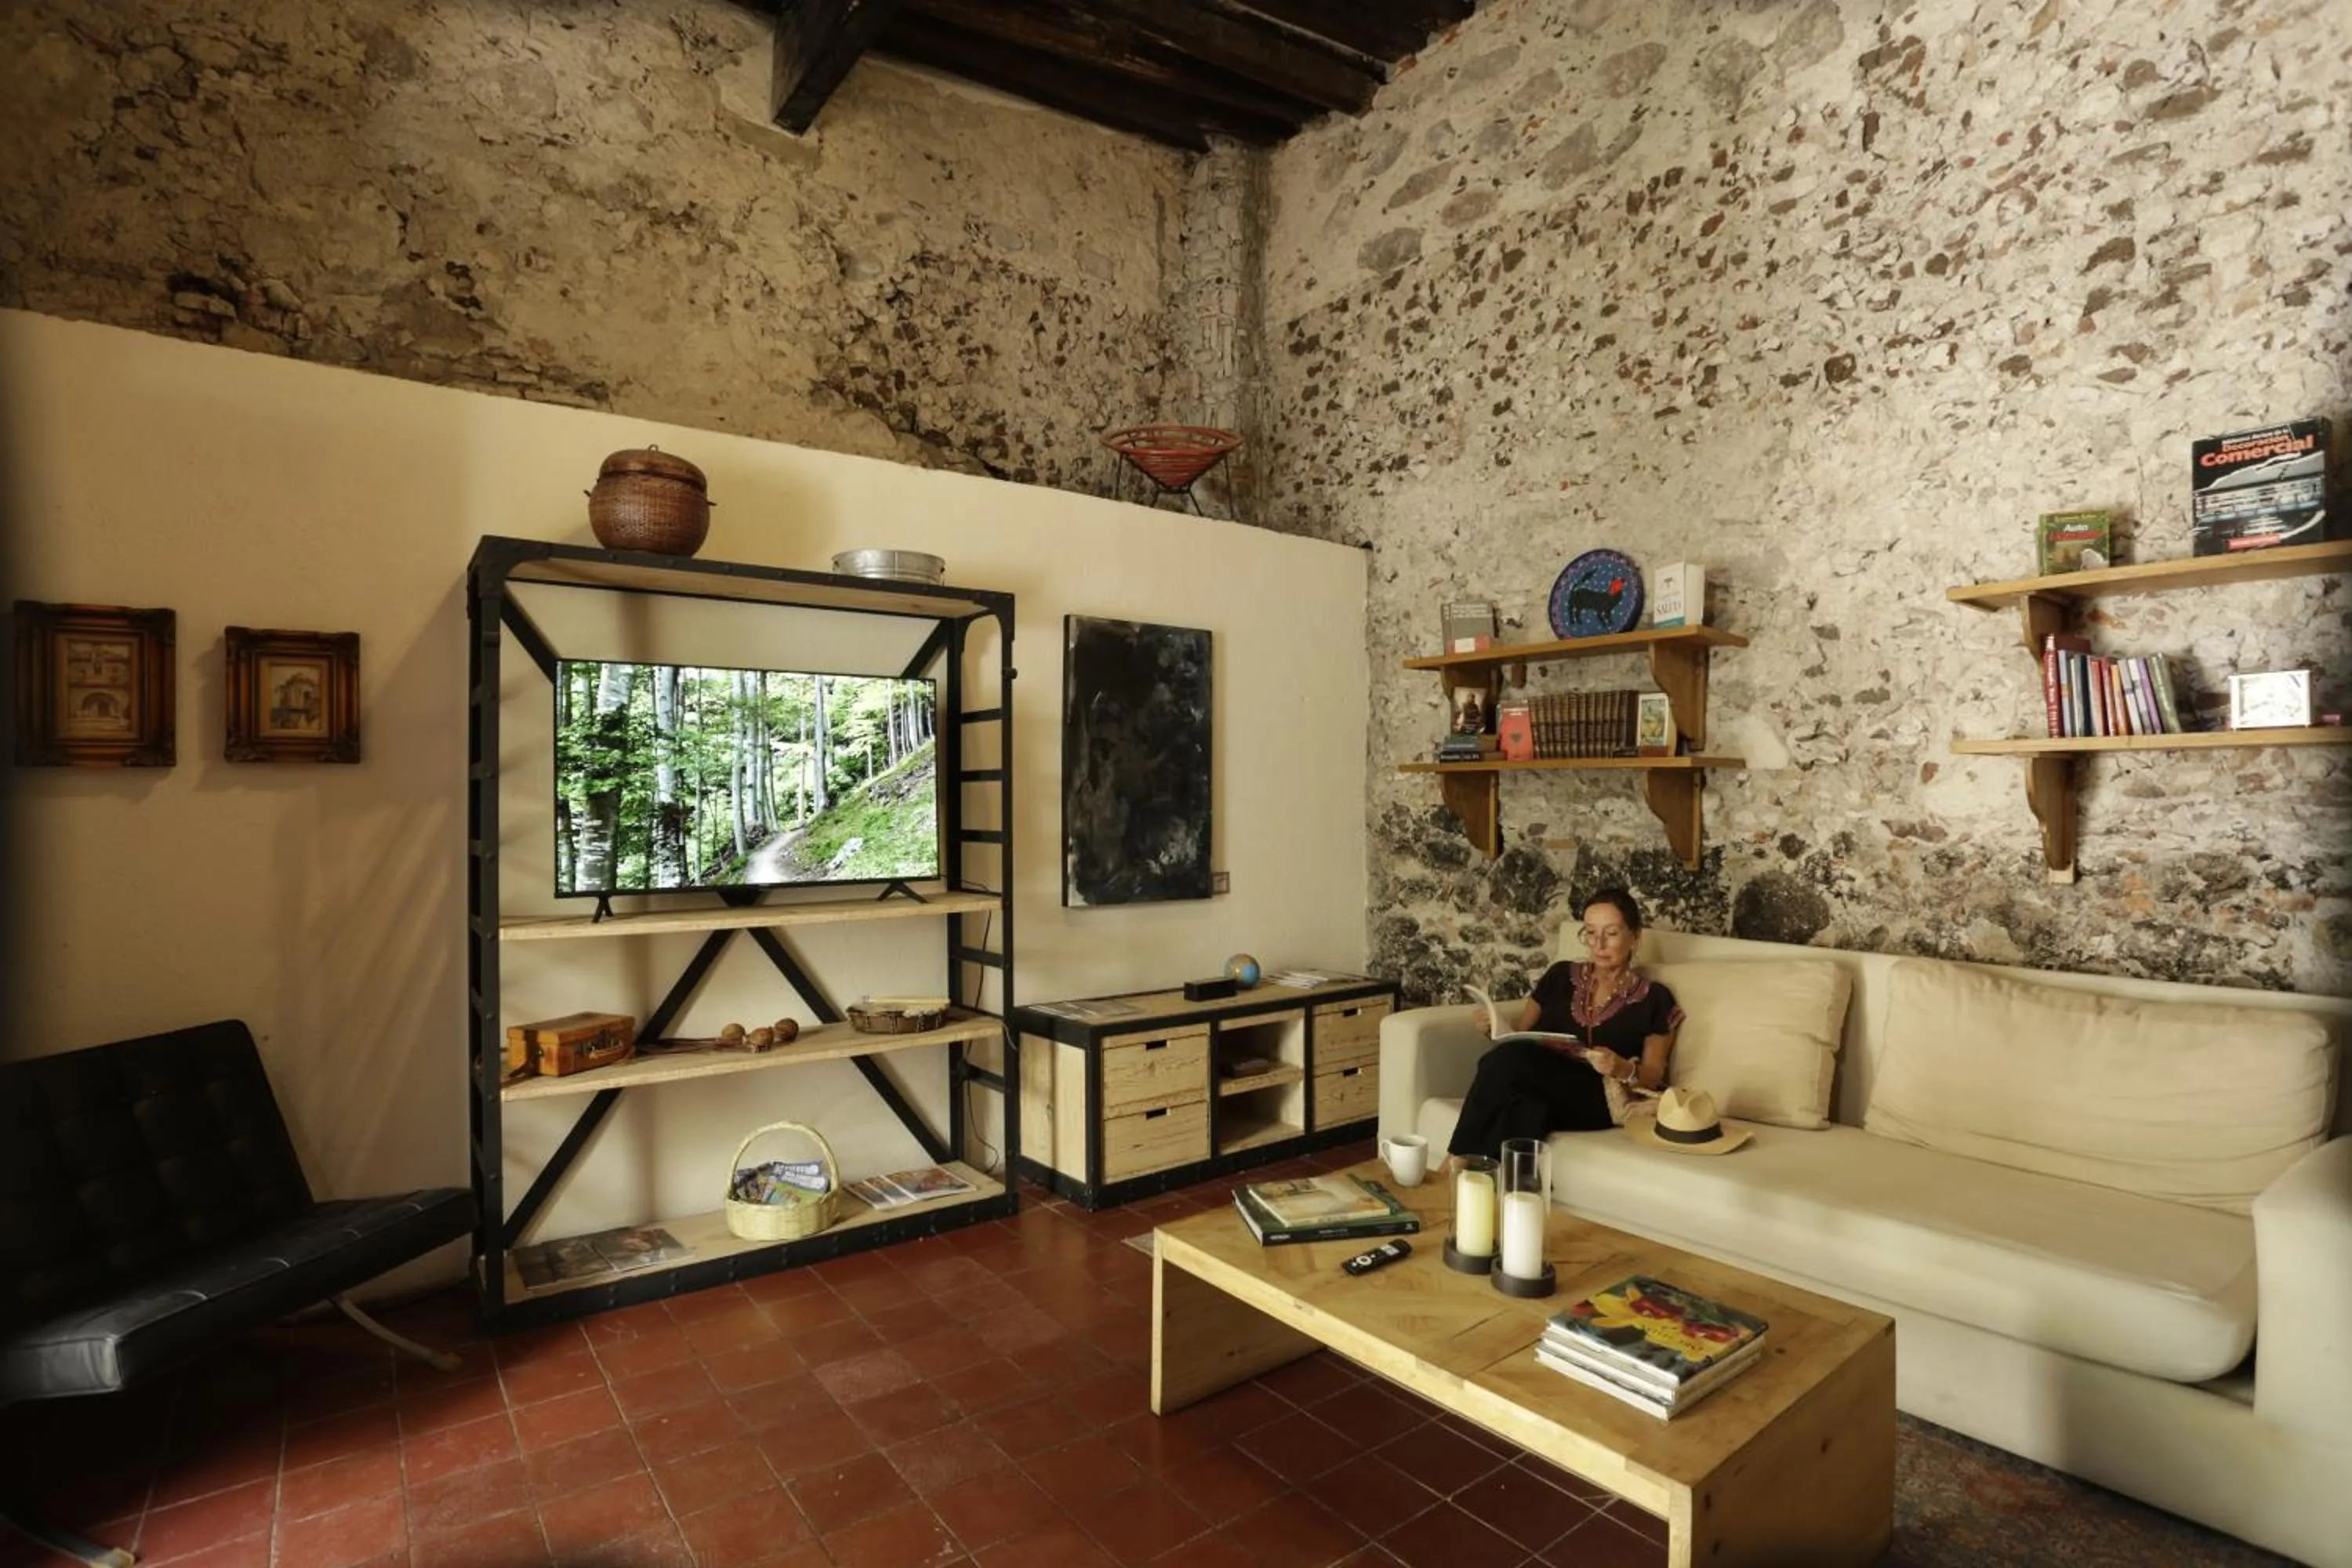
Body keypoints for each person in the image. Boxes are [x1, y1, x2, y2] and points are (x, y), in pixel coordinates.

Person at [1445, 887, 1683, 1162]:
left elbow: (1653, 1075)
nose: (1599, 944)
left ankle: (1452, 1161)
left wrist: (1621, 1067)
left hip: (1596, 1099)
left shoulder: (1655, 998)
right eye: (1591, 933)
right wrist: (1495, 1027)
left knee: (1504, 1062)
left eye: (1611, 933)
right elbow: (1521, 1033)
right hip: (1543, 1084)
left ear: (1635, 936)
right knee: (1529, 1109)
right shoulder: (1559, 976)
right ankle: (1499, 1187)